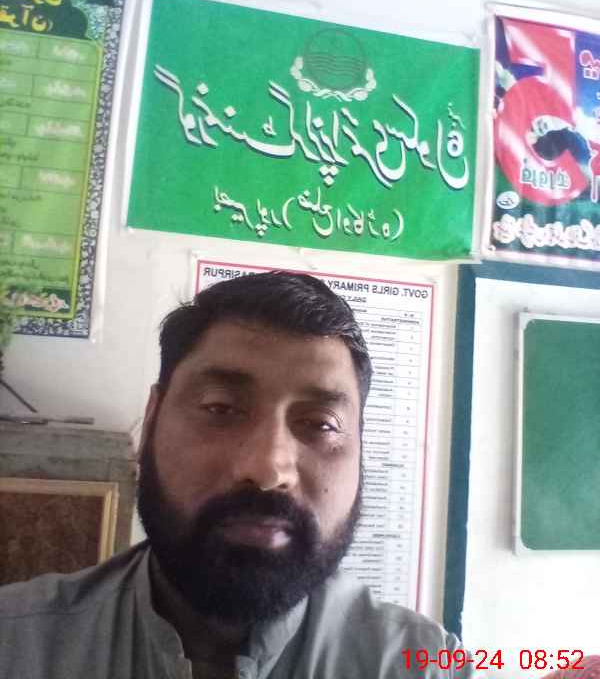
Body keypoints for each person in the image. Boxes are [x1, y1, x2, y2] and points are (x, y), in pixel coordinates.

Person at [0, 271, 469, 679]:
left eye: (321, 424)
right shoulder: (15, 644)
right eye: (220, 408)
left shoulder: (426, 664)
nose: (266, 469)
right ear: (152, 419)